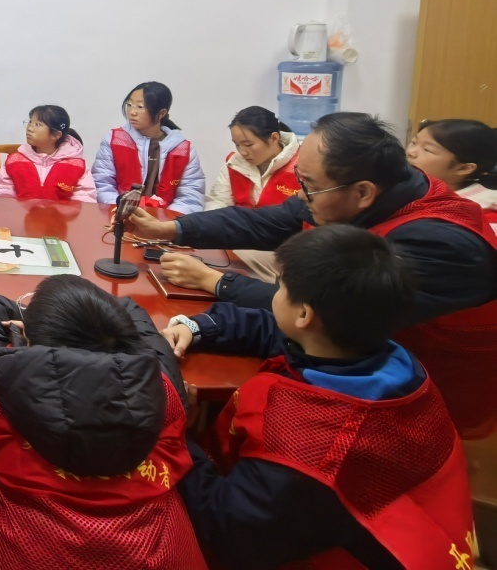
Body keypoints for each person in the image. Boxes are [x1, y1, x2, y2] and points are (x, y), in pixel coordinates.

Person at [133, 112, 497, 437]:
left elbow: (327, 314)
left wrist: (216, 281)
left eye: (308, 183)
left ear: (363, 192)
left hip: (418, 394)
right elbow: (267, 222)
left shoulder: (440, 244)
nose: (300, 193)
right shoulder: (367, 189)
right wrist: (172, 230)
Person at [164, 226, 473, 569]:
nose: (275, 293)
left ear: (304, 315)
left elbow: (222, 530)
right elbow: (278, 331)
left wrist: (176, 430)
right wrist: (198, 327)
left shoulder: (308, 450)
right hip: (413, 523)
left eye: (281, 285)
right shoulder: (387, 360)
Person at [0, 275, 204, 568]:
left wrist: (29, 326)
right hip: (157, 557)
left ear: (33, 342)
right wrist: (76, 316)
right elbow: (133, 313)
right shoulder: (161, 385)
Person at [203, 106, 301, 281]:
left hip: (282, 251)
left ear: (274, 138)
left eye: (248, 144)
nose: (242, 151)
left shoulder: (301, 167)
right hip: (237, 241)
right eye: (237, 145)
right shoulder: (234, 163)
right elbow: (218, 202)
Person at [90, 82, 205, 213]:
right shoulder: (115, 140)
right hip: (119, 215)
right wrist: (123, 212)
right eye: (129, 104)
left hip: (165, 220)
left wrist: (165, 221)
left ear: (161, 113)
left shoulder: (183, 149)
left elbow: (190, 197)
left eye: (140, 107)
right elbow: (102, 185)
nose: (132, 112)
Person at [0, 105, 95, 202]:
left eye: (38, 124)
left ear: (56, 135)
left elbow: (84, 201)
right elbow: (3, 197)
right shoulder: (14, 161)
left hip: (61, 216)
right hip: (21, 215)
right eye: (30, 122)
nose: (29, 128)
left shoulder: (77, 166)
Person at [408, 118, 497, 227]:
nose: (410, 152)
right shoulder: (407, 187)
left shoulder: (484, 209)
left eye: (427, 149)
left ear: (464, 168)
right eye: (414, 142)